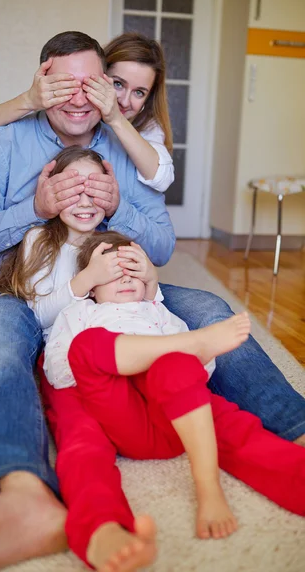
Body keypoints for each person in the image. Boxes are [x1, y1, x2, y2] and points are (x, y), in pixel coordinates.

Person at [0, 31, 304, 572]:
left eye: (91, 84)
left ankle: (295, 428)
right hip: (28, 291)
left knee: (211, 311)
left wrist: (118, 210)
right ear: (42, 77)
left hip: (118, 293)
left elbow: (161, 246)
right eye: (64, 83)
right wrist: (35, 205)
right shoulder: (4, 142)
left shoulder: (128, 143)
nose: (79, 97)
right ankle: (22, 495)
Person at [41, 230, 305, 570]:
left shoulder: (159, 313)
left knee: (210, 400)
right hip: (114, 413)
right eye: (113, 272)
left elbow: (201, 375)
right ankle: (103, 532)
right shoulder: (80, 315)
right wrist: (130, 353)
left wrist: (180, 351)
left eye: (133, 271)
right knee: (87, 360)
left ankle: (209, 487)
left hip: (176, 419)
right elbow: (60, 373)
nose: (125, 278)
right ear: (91, 287)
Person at [0, 32, 174, 193]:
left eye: (139, 92)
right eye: (118, 84)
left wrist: (116, 119)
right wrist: (29, 100)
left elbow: (161, 178)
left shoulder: (148, 127)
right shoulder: (55, 109)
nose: (124, 100)